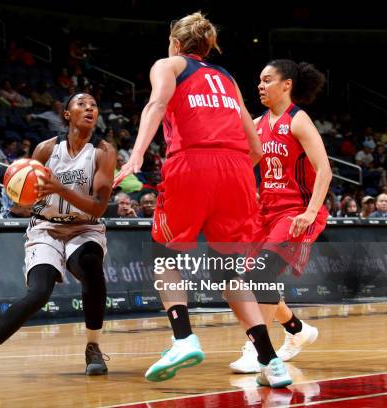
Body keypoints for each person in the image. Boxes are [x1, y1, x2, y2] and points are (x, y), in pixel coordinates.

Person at [114, 12, 291, 387]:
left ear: (177, 44)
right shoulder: (227, 78)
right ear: (208, 47)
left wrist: (136, 155)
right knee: (230, 272)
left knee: (163, 255)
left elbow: (156, 105)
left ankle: (183, 338)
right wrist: (235, 173)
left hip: (193, 163)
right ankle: (272, 362)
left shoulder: (169, 63)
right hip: (239, 171)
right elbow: (256, 147)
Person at [0, 92, 116, 378]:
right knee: (39, 292)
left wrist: (61, 190)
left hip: (84, 227)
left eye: (94, 105)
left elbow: (99, 206)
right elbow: (28, 197)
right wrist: (23, 196)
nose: (89, 109)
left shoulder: (103, 151)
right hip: (46, 228)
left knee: (92, 266)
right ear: (67, 114)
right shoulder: (46, 150)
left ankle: (93, 348)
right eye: (82, 104)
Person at [229, 60, 332, 375]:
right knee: (246, 280)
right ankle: (297, 329)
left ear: (286, 84)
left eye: (267, 80)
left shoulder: (298, 121)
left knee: (261, 275)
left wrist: (310, 212)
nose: (260, 85)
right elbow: (248, 166)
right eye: (259, 80)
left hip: (295, 212)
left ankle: (257, 350)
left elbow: (324, 170)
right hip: (265, 213)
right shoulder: (257, 122)